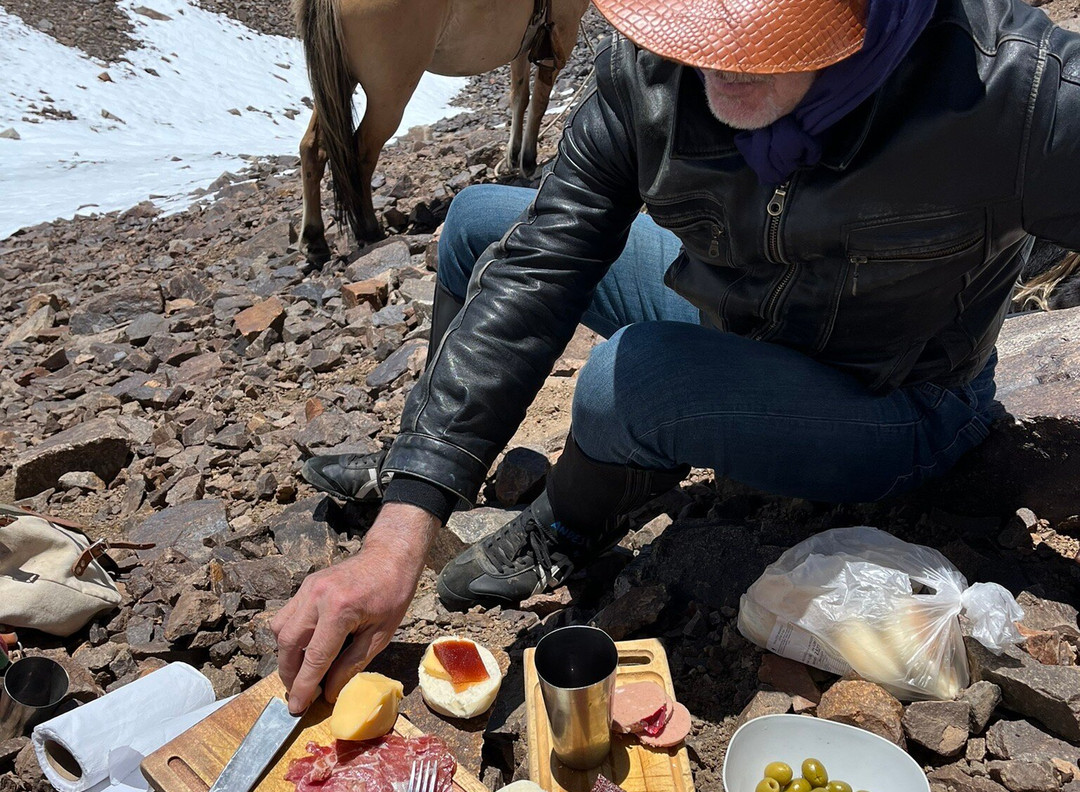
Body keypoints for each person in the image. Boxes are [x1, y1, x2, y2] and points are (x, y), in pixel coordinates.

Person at [273, 0, 1080, 713]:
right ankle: (424, 468)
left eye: (763, 23)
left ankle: (567, 524)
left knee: (630, 382)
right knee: (481, 221)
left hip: (890, 396)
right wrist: (399, 535)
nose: (712, 58)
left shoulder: (1011, 87)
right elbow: (548, 260)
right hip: (738, 310)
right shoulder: (652, 66)